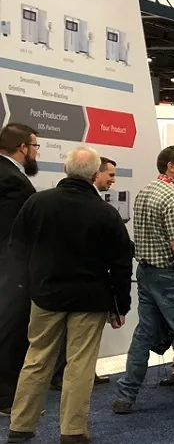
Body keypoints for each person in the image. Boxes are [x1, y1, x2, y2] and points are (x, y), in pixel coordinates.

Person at [6, 147, 131, 444]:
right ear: (94, 174)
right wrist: (121, 304)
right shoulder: (106, 212)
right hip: (91, 298)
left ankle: (20, 425)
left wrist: (25, 286)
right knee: (80, 363)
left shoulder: (38, 202)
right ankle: (73, 430)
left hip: (46, 294)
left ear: (66, 169)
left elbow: (16, 248)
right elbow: (121, 263)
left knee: (37, 358)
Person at [113, 146, 174, 415]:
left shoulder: (146, 191)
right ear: (170, 166)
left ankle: (126, 395)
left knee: (144, 335)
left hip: (147, 273)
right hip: (173, 277)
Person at [51, 156, 119, 390]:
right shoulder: (97, 208)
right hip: (81, 285)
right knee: (71, 343)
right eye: (110, 175)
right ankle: (63, 377)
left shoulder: (96, 205)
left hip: (61, 284)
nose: (113, 180)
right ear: (95, 173)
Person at [0, 123, 39, 415]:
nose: (37, 153)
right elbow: (12, 232)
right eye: (35, 146)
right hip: (10, 271)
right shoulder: (12, 180)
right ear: (23, 147)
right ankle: (6, 397)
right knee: (10, 331)